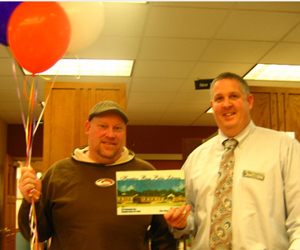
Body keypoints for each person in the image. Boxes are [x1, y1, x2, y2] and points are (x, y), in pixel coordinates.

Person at [164, 72, 300, 249]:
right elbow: (189, 218)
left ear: (249, 101)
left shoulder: (285, 147)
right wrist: (180, 222)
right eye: (219, 99)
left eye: (233, 96)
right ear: (212, 106)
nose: (226, 104)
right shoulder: (196, 158)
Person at [18, 100, 177, 250]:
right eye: (103, 126)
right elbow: (37, 234)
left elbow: (164, 235)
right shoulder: (58, 173)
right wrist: (31, 202)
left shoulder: (143, 174)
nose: (111, 134)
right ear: (88, 128)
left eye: (117, 128)